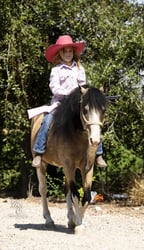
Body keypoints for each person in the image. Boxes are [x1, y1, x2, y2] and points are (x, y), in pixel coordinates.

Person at [32, 35, 107, 168]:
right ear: (60, 53)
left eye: (70, 51)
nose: (68, 54)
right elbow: (54, 87)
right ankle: (39, 152)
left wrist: (85, 94)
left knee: (93, 119)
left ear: (73, 53)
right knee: (47, 120)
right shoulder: (56, 70)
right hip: (60, 103)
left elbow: (82, 85)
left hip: (76, 104)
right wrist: (69, 94)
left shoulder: (79, 69)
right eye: (65, 51)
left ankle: (99, 154)